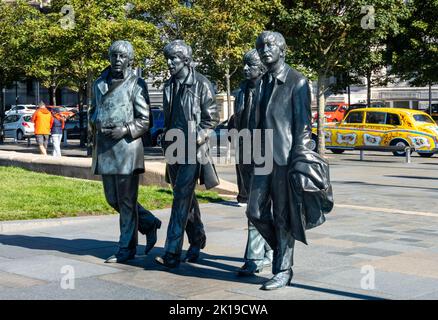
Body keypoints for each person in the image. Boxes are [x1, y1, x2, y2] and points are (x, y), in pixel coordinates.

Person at [246, 31, 314, 290]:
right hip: (263, 157)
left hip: (285, 157)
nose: (264, 50)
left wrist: (301, 160)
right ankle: (282, 251)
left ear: (282, 49)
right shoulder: (262, 81)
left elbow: (304, 127)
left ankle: (283, 268)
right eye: (260, 46)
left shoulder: (297, 81)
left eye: (270, 45)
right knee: (254, 211)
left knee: (283, 216)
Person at [89, 40, 162, 263]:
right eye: (114, 56)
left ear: (129, 60)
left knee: (127, 201)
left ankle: (126, 248)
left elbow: (144, 119)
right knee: (113, 199)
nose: (117, 60)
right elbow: (94, 110)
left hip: (126, 149)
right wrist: (96, 123)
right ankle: (149, 223)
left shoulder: (136, 84)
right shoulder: (99, 83)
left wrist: (125, 130)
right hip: (105, 148)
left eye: (122, 57)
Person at [155, 40, 219, 269]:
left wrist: (198, 137)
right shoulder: (168, 86)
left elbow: (211, 119)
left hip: (193, 150)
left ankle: (171, 252)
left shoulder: (202, 84)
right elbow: (170, 116)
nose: (170, 63)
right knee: (187, 199)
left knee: (180, 197)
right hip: (173, 149)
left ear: (186, 60)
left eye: (174, 59)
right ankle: (197, 239)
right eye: (168, 59)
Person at [232, 49, 273, 276]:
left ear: (262, 68)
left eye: (250, 65)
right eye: (244, 64)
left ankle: (253, 258)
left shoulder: (271, 90)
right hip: (245, 155)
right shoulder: (240, 91)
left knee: (255, 208)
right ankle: (272, 250)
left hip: (265, 154)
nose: (246, 68)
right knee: (260, 207)